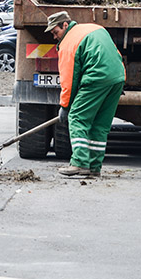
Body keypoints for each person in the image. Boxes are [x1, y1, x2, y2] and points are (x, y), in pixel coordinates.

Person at [46, 11, 126, 178]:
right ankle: (94, 167)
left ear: (65, 25)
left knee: (77, 117)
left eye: (55, 32)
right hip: (117, 77)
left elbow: (68, 79)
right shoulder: (94, 28)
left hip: (97, 77)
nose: (54, 37)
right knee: (99, 124)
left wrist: (65, 106)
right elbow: (115, 53)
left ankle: (80, 163)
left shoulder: (68, 42)